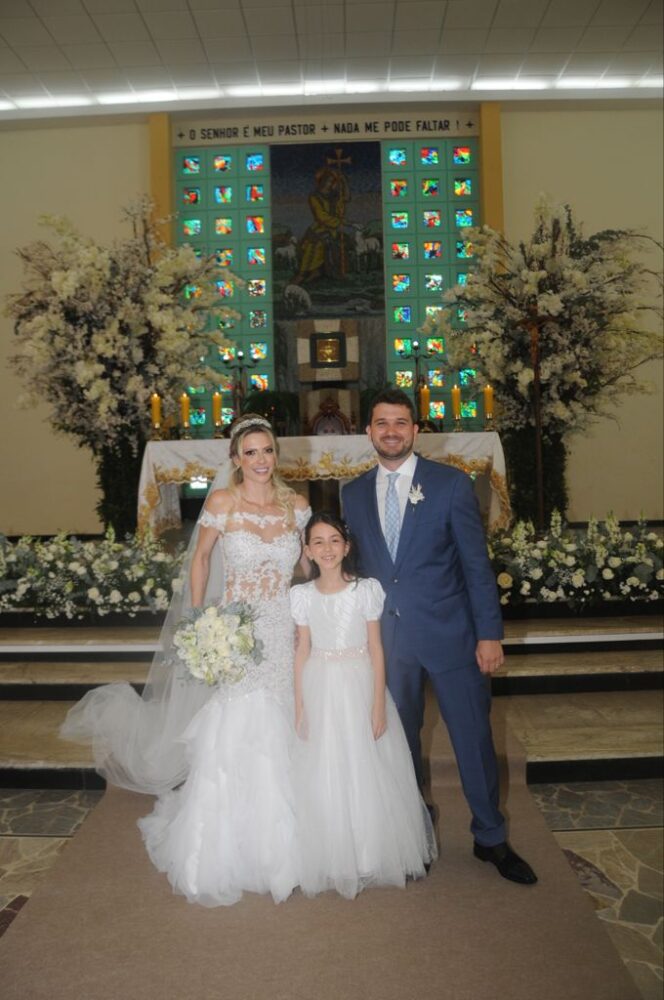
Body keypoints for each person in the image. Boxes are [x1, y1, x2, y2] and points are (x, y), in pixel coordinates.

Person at [62, 414, 311, 906]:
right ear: (236, 459)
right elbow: (200, 561)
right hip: (237, 630)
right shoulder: (222, 502)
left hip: (283, 628)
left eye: (267, 451)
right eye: (251, 452)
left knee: (287, 717)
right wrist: (201, 621)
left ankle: (294, 841)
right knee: (238, 724)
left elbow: (304, 565)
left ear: (275, 455)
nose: (261, 461)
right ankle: (228, 841)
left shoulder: (297, 506)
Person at [341, 388, 537, 886]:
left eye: (400, 423)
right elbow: (355, 568)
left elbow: (476, 566)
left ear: (415, 430)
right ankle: (416, 833)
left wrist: (489, 635)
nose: (391, 431)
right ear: (368, 431)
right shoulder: (352, 492)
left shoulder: (449, 485)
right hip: (388, 642)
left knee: (472, 739)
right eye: (382, 423)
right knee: (400, 744)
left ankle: (490, 836)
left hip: (452, 635)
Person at [290, 511, 437, 899]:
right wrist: (299, 703)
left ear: (347, 546)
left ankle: (371, 852)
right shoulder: (301, 596)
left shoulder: (365, 590)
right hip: (320, 682)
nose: (327, 548)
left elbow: (375, 647)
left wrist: (377, 704)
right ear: (307, 549)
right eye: (317, 542)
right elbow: (302, 649)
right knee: (326, 764)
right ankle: (332, 855)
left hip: (359, 682)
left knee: (364, 764)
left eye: (334, 540)